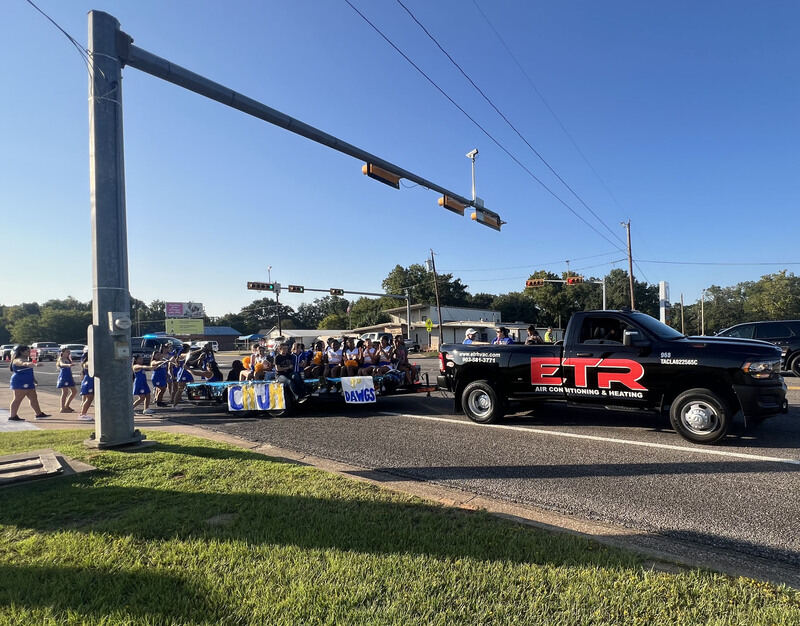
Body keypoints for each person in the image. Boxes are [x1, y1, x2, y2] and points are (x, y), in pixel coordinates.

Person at [7, 345, 48, 421]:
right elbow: (22, 363)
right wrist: (31, 364)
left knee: (34, 398)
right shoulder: (17, 359)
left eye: (29, 351)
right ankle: (13, 416)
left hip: (28, 381)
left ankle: (39, 414)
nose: (29, 352)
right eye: (27, 351)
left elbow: (29, 371)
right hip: (20, 382)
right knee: (17, 399)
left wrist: (34, 380)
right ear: (21, 352)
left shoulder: (26, 359)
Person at [56, 347, 79, 413]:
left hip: (69, 376)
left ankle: (67, 405)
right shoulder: (61, 359)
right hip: (64, 376)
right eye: (67, 352)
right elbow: (61, 364)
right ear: (62, 353)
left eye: (69, 352)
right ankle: (62, 408)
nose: (68, 353)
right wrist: (68, 365)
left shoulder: (68, 359)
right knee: (65, 392)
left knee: (74, 391)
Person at [78, 351, 94, 421]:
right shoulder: (87, 363)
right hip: (89, 381)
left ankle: (83, 414)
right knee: (89, 398)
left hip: (90, 380)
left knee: (90, 398)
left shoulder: (86, 363)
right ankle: (83, 414)